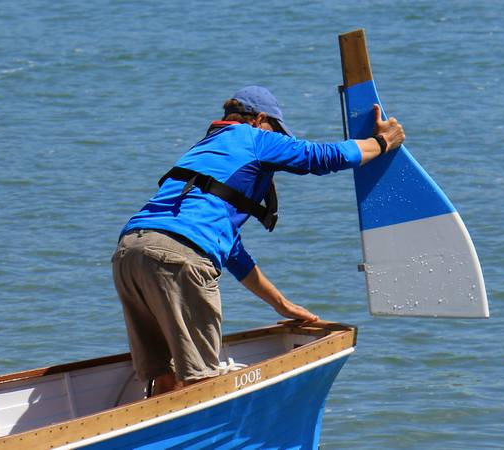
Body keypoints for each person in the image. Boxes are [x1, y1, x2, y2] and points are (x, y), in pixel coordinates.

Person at [112, 85, 404, 395]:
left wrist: (282, 304)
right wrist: (383, 143)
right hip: (179, 257)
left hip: (129, 253)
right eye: (277, 130)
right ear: (259, 119)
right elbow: (320, 157)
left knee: (164, 378)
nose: (280, 139)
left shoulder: (205, 149)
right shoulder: (254, 138)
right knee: (200, 383)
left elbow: (233, 254)